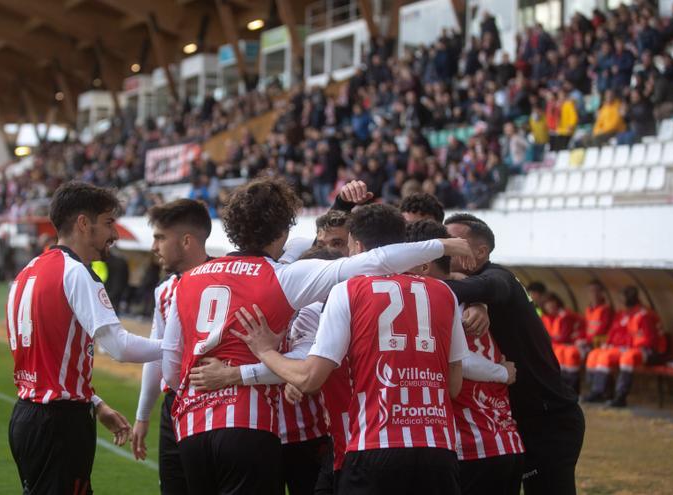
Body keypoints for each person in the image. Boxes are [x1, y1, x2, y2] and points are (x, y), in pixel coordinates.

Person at [160, 178, 474, 495]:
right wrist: (441, 246)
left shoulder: (187, 280)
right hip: (251, 424)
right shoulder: (283, 276)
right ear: (283, 231)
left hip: (191, 428)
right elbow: (373, 261)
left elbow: (171, 363)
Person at [6, 181, 164, 495]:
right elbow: (118, 346)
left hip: (27, 416)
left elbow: (46, 358)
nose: (115, 234)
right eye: (108, 223)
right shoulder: (76, 272)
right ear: (82, 223)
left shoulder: (29, 270)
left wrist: (96, 402)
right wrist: (181, 347)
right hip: (59, 423)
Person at [441, 214, 584, 495]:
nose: (445, 248)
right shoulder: (479, 286)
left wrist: (419, 283)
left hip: (549, 418)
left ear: (481, 252)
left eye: (454, 243)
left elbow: (490, 286)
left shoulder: (499, 276)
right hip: (524, 418)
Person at [184, 247, 342, 495]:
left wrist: (233, 374)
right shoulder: (263, 309)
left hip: (307, 435)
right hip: (265, 432)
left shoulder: (315, 313)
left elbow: (309, 369)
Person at [407, 220, 524, 495]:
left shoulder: (437, 300)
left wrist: (501, 373)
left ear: (424, 263)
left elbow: (460, 360)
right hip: (505, 440)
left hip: (473, 446)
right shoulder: (471, 294)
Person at [131, 199, 213, 495]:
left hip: (214, 403)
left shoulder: (226, 280)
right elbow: (158, 353)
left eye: (160, 237)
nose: (154, 246)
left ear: (187, 240)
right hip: (173, 405)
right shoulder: (164, 290)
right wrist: (143, 416)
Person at [584, 286, 663, 408]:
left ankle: (621, 397)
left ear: (629, 300)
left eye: (621, 299)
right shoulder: (624, 314)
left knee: (627, 357)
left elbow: (650, 340)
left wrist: (626, 346)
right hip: (628, 349)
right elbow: (616, 333)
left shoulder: (644, 315)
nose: (618, 302)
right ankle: (600, 392)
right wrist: (611, 344)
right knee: (597, 354)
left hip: (649, 352)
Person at [540, 293, 584, 393]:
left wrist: (549, 339)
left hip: (573, 345)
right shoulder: (546, 317)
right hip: (558, 345)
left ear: (557, 303)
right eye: (547, 304)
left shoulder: (565, 316)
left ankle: (571, 389)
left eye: (552, 303)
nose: (550, 306)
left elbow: (565, 336)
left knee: (565, 355)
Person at [581, 280, 614, 353]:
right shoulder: (588, 309)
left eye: (596, 291)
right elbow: (585, 326)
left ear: (602, 293)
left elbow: (604, 329)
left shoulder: (606, 309)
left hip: (599, 341)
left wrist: (588, 340)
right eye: (591, 291)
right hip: (588, 341)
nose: (594, 294)